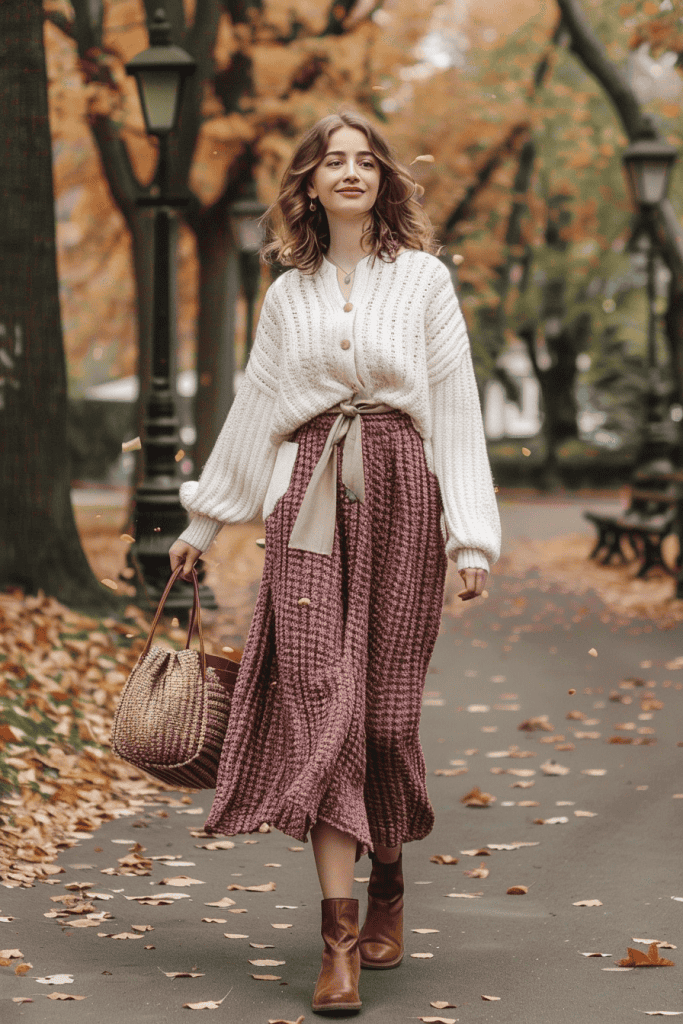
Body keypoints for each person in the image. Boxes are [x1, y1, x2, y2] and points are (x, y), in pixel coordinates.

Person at [169, 108, 501, 1016]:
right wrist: (203, 526)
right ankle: (339, 937)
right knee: (326, 708)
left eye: (364, 160)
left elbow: (457, 409)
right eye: (332, 161)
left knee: (385, 723)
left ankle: (388, 873)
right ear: (309, 182)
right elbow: (254, 410)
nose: (349, 172)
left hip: (400, 491)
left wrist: (469, 533)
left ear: (382, 179)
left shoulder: (425, 281)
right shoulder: (287, 295)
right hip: (307, 493)